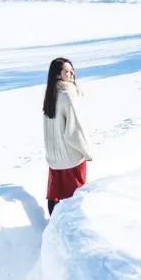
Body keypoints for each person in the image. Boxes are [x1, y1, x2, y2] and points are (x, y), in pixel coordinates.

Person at [43, 57, 92, 217]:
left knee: (55, 195)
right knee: (76, 198)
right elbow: (74, 129)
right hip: (71, 157)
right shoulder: (66, 96)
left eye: (72, 71)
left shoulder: (50, 96)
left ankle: (53, 227)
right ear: (58, 75)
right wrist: (86, 151)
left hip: (55, 158)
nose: (72, 74)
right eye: (67, 71)